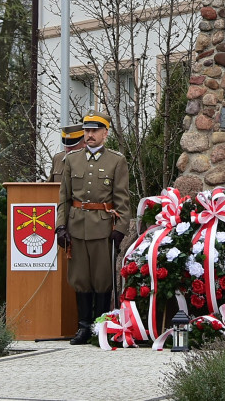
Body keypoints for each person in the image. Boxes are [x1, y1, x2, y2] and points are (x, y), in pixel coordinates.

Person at [55, 111, 130, 344]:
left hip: (102, 227)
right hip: (77, 226)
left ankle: (100, 326)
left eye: (95, 130)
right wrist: (60, 226)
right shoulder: (72, 160)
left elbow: (122, 199)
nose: (90, 135)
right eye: (87, 131)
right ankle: (83, 326)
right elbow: (64, 198)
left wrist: (121, 229)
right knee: (80, 278)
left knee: (102, 278)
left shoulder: (116, 161)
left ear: (105, 133)